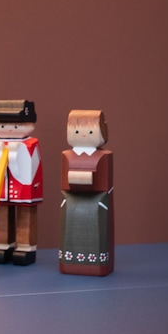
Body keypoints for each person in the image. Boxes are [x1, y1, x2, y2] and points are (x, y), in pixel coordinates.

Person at [59, 109, 114, 276]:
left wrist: (86, 179)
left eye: (90, 132)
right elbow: (65, 183)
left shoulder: (103, 156)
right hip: (70, 200)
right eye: (76, 132)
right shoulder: (67, 155)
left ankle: (96, 264)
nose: (83, 135)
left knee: (97, 230)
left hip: (97, 201)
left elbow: (104, 183)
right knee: (69, 230)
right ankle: (70, 262)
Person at [0, 99, 41, 265]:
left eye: (17, 125)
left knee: (25, 216)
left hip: (25, 187)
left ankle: (26, 247)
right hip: (0, 187)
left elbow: (33, 165)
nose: (10, 129)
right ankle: (4, 245)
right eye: (2, 125)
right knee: (2, 216)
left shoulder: (31, 144)